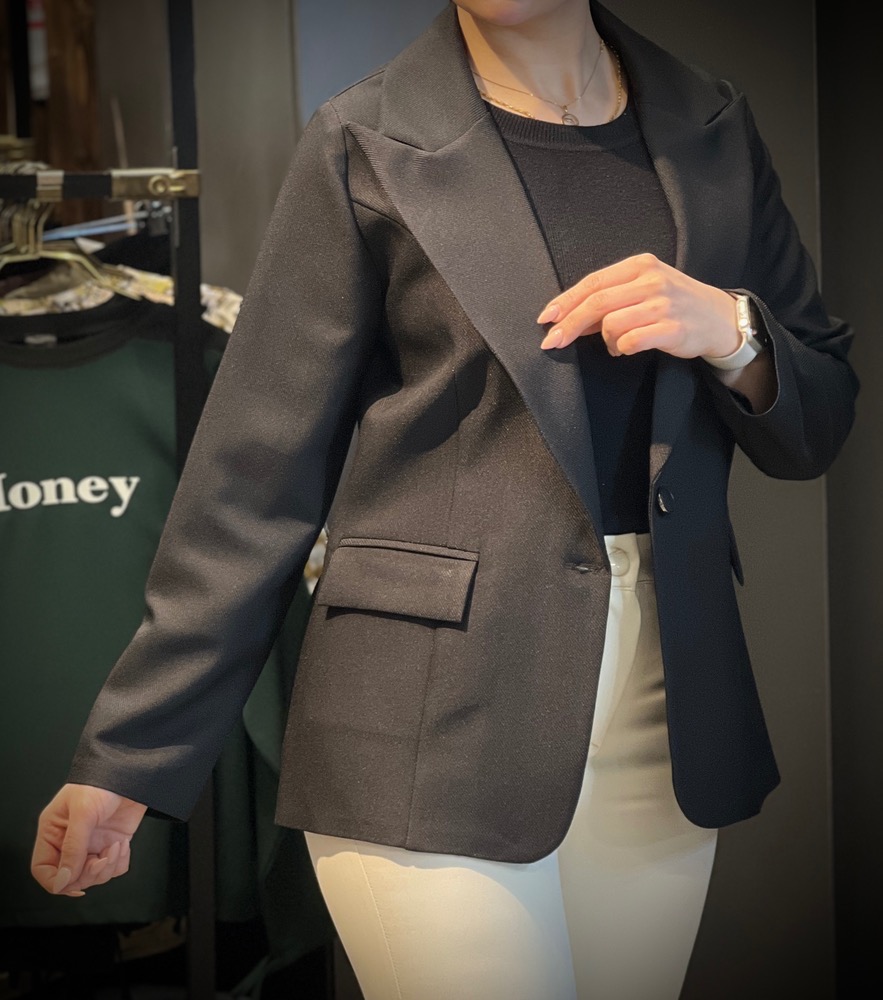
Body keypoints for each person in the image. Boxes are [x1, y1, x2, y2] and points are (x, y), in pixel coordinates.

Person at [31, 1, 858, 997]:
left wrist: (731, 330)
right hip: (426, 714)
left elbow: (817, 419)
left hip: (665, 701)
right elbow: (253, 478)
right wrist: (130, 753)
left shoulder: (711, 122)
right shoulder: (361, 136)